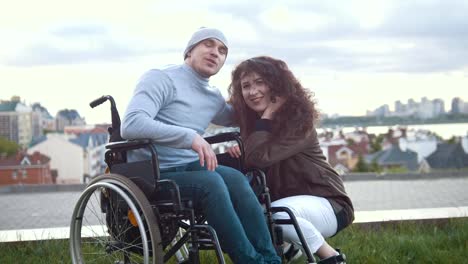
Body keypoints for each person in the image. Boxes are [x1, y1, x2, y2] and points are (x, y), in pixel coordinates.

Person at [120, 28, 281, 264]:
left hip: (189, 168)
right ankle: (250, 261)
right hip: (153, 174)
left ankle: (272, 259)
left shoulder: (212, 96)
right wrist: (190, 137)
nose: (215, 52)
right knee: (212, 182)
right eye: (208, 44)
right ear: (189, 50)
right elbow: (132, 124)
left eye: (222, 50)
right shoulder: (161, 78)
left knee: (236, 178)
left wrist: (273, 106)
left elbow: (242, 118)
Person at [227, 56, 354, 263]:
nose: (252, 91)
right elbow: (252, 160)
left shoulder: (298, 124)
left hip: (329, 204)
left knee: (279, 215)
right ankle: (288, 249)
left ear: (277, 86)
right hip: (289, 204)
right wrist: (241, 149)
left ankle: (331, 257)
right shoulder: (254, 127)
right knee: (250, 213)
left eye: (260, 82)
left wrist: (267, 117)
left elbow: (257, 159)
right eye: (246, 86)